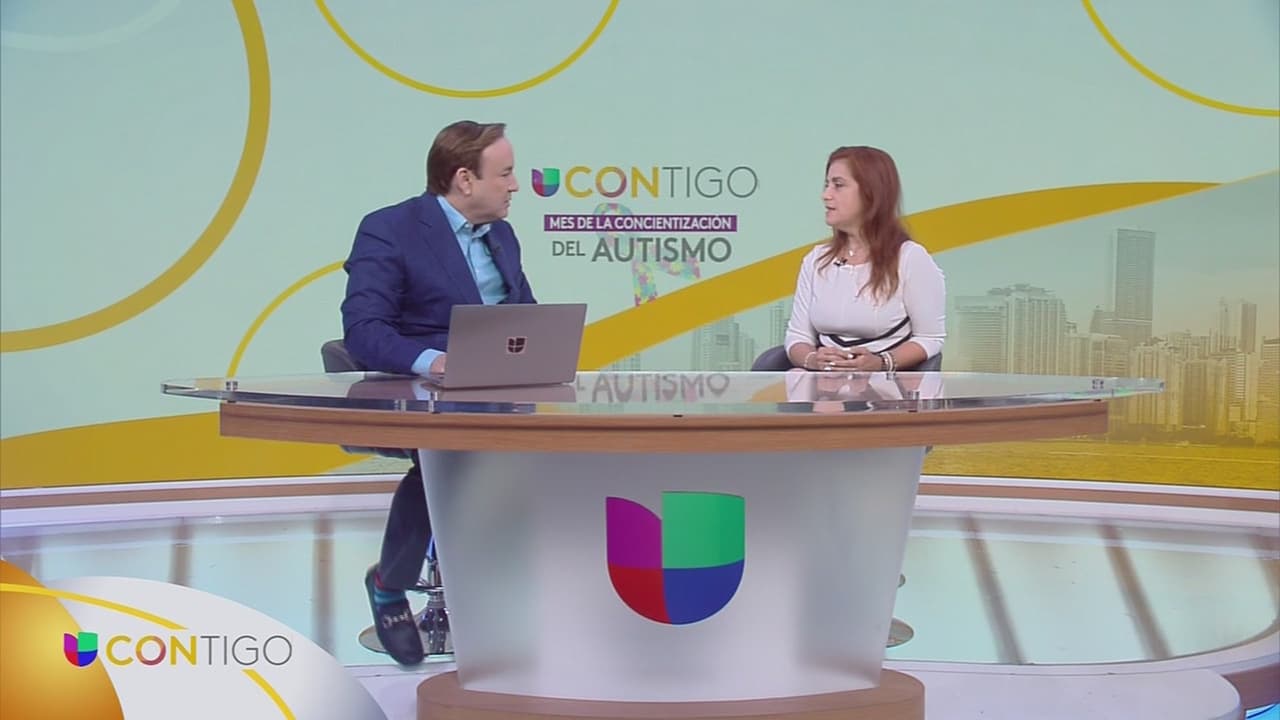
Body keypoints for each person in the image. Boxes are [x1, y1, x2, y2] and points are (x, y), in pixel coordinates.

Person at [340, 120, 535, 665]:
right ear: (464, 179)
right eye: (505, 173)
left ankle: (505, 589)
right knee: (451, 453)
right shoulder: (390, 229)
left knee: (549, 449)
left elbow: (524, 317)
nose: (515, 185)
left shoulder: (502, 236)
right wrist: (435, 362)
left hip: (494, 391)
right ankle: (390, 584)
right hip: (419, 389)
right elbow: (364, 329)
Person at [784, 146, 945, 374]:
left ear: (871, 193)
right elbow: (798, 336)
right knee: (795, 378)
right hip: (822, 387)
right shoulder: (816, 260)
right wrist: (812, 360)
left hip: (886, 388)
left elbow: (930, 338)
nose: (826, 195)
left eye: (838, 185)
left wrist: (881, 363)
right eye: (826, 184)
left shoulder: (910, 258)